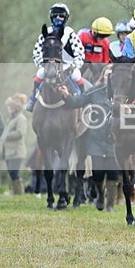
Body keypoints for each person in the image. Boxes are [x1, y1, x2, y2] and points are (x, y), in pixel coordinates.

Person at [58, 64, 120, 212]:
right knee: (97, 173)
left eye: (112, 76)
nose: (109, 78)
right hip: (97, 139)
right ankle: (99, 195)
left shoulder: (122, 95)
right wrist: (66, 96)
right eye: (107, 75)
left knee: (112, 173)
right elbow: (76, 102)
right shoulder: (94, 91)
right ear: (103, 76)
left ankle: (110, 204)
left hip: (114, 140)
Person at [25, 2, 86, 112]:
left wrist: (74, 65)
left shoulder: (70, 33)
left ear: (65, 18)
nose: (58, 18)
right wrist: (43, 63)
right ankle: (33, 99)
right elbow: (37, 52)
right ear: (51, 17)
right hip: (49, 65)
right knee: (39, 74)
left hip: (68, 65)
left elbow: (79, 52)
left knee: (77, 75)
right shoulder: (46, 33)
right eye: (55, 15)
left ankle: (84, 102)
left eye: (61, 16)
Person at [2, 93, 28, 195]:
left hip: (17, 151)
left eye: (10, 106)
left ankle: (19, 192)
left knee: (14, 172)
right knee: (11, 173)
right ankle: (13, 190)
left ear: (15, 107)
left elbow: (20, 133)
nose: (8, 108)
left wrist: (6, 136)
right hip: (9, 151)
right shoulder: (11, 118)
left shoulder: (21, 118)